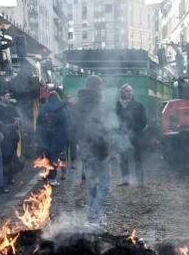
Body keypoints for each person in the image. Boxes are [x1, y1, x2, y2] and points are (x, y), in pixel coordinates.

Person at [74, 75, 111, 227]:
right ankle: (93, 216)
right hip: (99, 149)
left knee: (91, 184)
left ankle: (93, 216)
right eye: (101, 85)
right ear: (97, 87)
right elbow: (104, 128)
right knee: (105, 184)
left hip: (84, 149)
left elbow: (75, 127)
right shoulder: (99, 103)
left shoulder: (77, 104)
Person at [115, 84, 147, 186]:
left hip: (136, 135)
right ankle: (125, 180)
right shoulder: (118, 105)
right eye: (127, 91)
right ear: (121, 92)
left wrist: (135, 130)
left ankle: (140, 181)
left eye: (130, 91)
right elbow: (116, 120)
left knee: (138, 158)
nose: (129, 93)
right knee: (123, 158)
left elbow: (144, 121)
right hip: (122, 135)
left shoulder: (138, 105)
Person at [36, 90, 69, 186]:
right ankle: (52, 179)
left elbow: (38, 124)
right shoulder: (62, 109)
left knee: (46, 158)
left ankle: (47, 177)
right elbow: (65, 125)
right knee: (54, 158)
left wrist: (38, 138)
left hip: (45, 138)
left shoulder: (43, 109)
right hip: (57, 138)